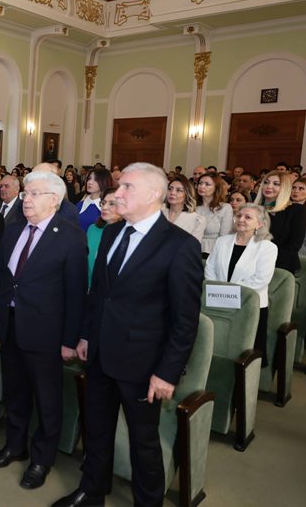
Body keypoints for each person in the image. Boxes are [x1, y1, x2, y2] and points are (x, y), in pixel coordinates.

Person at [53, 163, 203, 507]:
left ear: (154, 194)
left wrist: (167, 372)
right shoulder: (112, 233)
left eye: (126, 188)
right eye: (118, 187)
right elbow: (98, 294)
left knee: (143, 442)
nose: (117, 193)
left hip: (142, 363)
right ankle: (92, 491)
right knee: (96, 430)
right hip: (100, 354)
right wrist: (86, 335)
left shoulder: (180, 245)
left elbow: (185, 320)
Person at [0, 171, 87, 490]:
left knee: (47, 400)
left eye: (34, 194)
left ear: (54, 199)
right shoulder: (14, 229)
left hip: (46, 333)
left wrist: (70, 339)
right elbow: (2, 279)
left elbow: (76, 293)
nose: (26, 199)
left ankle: (42, 459)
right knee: (14, 393)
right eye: (25, 193)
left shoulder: (70, 236)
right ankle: (15, 446)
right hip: (11, 325)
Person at [205, 204, 277, 366]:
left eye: (248, 217)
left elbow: (261, 279)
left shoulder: (267, 247)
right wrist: (219, 290)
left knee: (245, 355)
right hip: (217, 301)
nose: (241, 219)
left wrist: (228, 292)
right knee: (218, 348)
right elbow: (210, 268)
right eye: (239, 215)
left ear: (259, 224)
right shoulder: (222, 241)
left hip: (249, 306)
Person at [254, 171, 306, 274]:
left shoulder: (296, 210)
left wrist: (266, 261)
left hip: (280, 266)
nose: (269, 186)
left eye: (276, 184)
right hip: (250, 262)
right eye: (266, 182)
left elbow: (294, 244)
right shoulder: (252, 209)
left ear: (284, 188)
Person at [85, 187, 121, 286]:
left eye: (112, 204)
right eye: (103, 203)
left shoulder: (127, 234)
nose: (104, 207)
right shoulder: (93, 229)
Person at [196, 172, 233, 256]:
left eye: (207, 184)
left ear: (216, 188)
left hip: (214, 252)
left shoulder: (225, 208)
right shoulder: (193, 207)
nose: (202, 186)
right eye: (200, 183)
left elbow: (224, 237)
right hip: (192, 250)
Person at [162, 175, 206, 243]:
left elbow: (192, 246)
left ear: (187, 195)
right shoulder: (158, 214)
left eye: (179, 190)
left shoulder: (197, 220)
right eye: (170, 189)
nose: (172, 193)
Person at [76, 168, 113, 232]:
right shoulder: (79, 205)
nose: (89, 182)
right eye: (89, 178)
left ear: (104, 182)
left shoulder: (108, 208)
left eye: (96, 180)